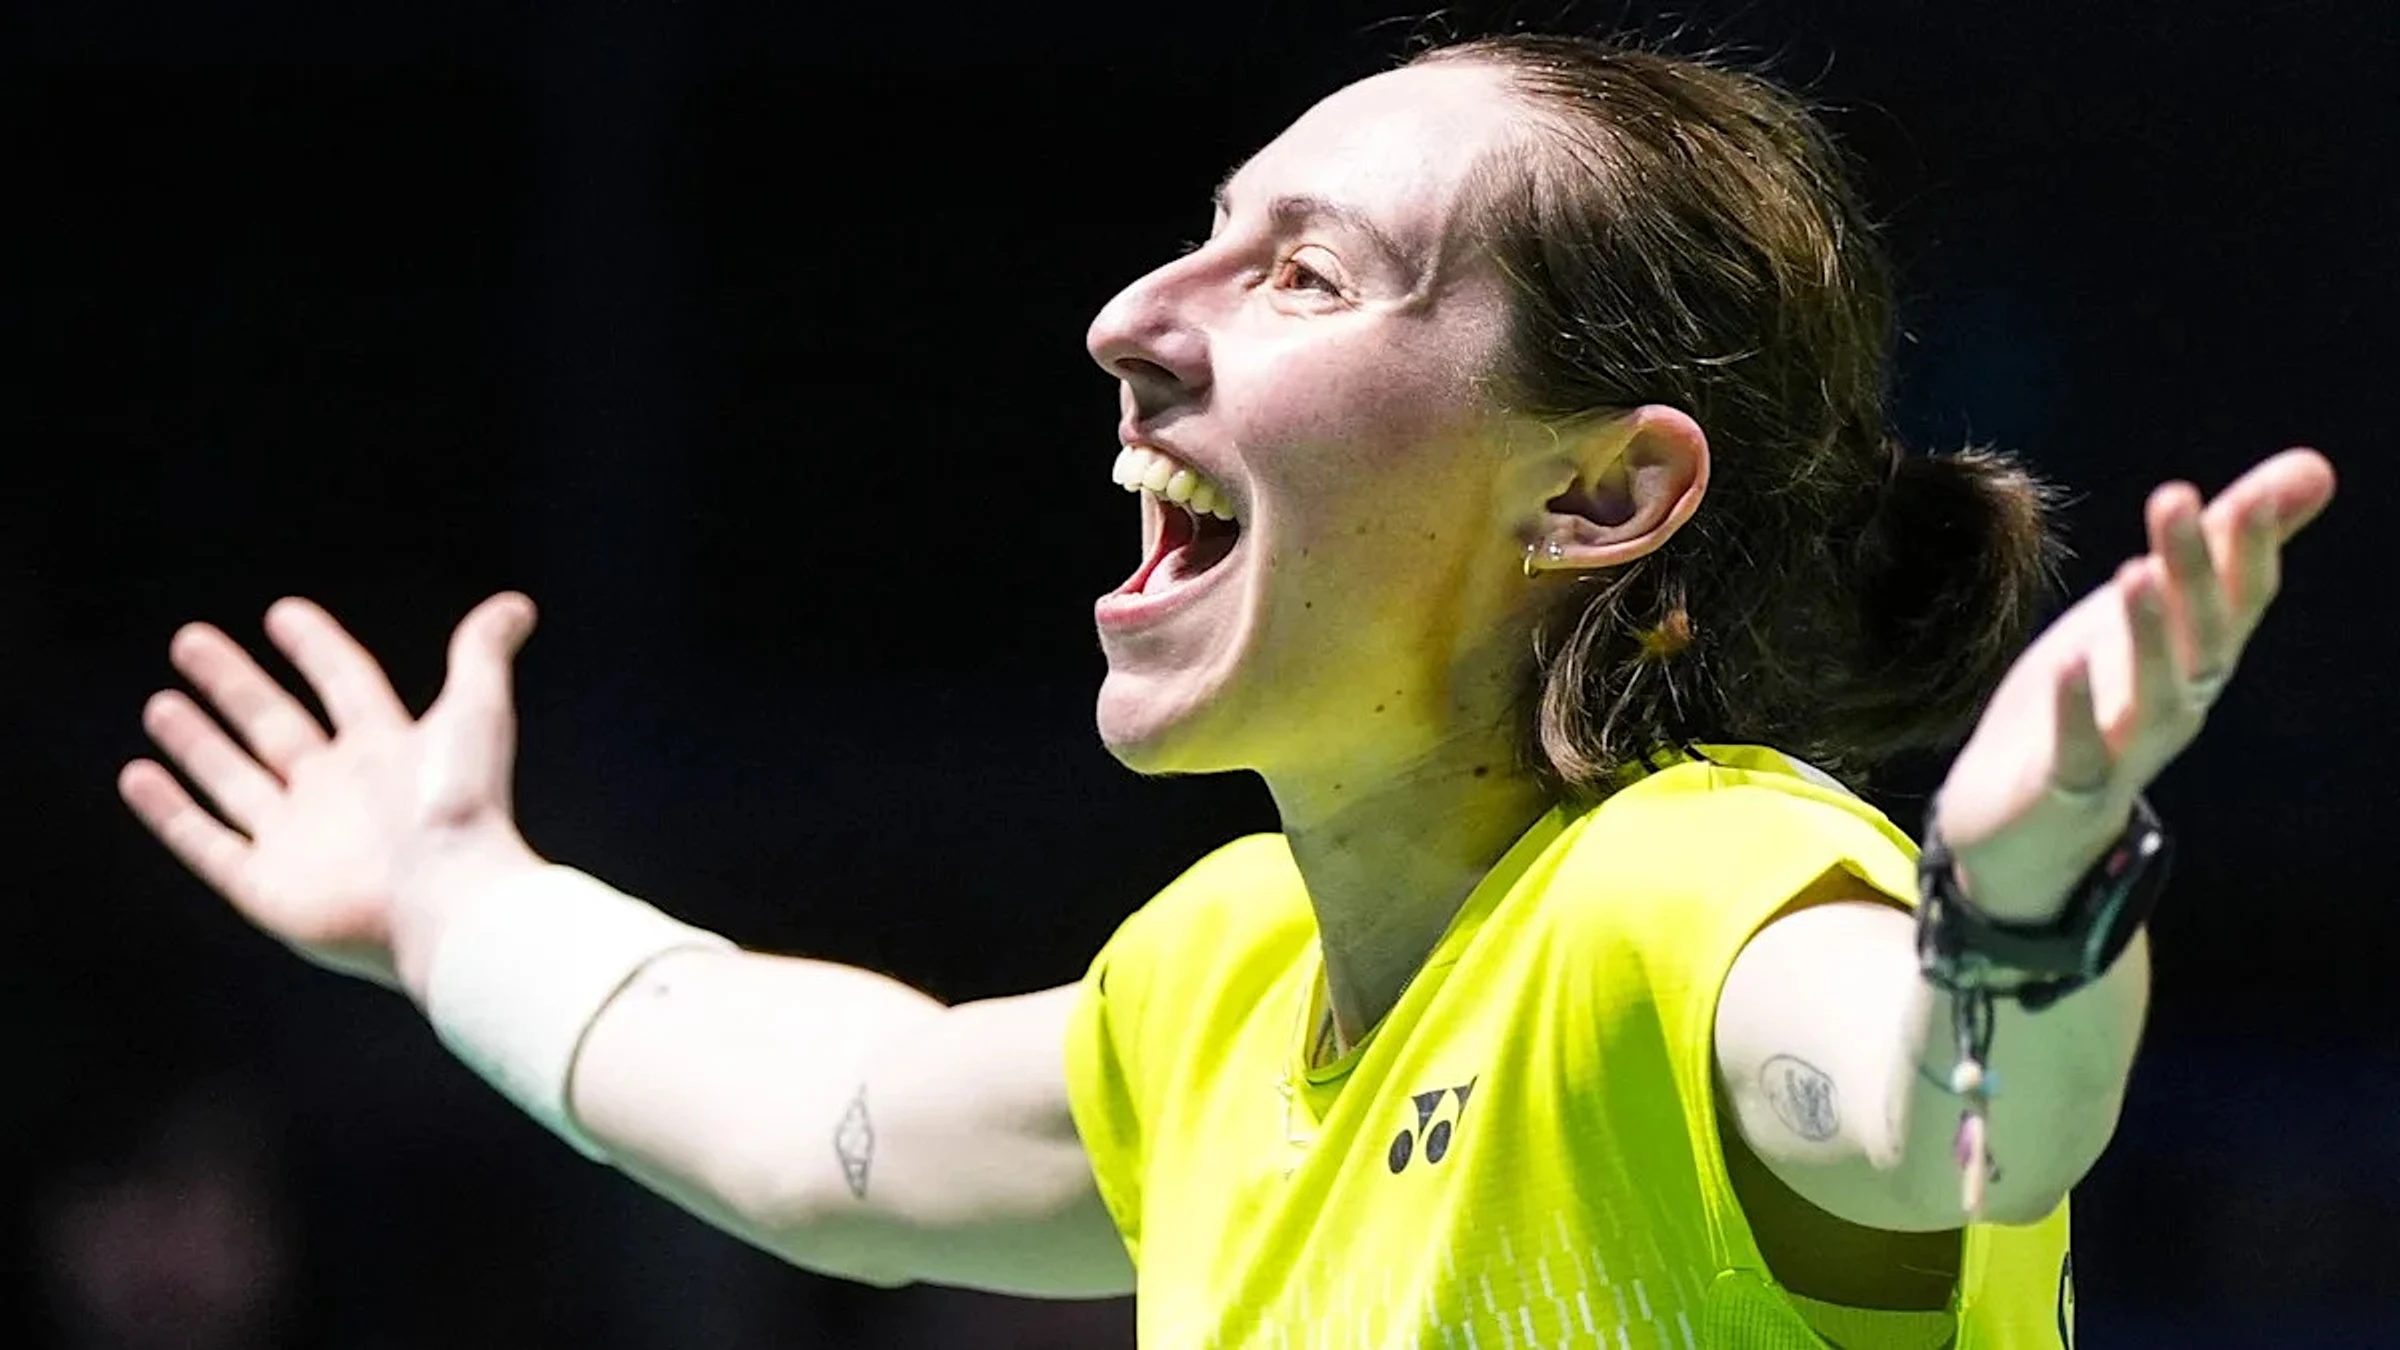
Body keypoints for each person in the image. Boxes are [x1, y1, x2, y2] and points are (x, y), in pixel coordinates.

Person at [119, 32, 2335, 1350]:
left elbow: (1957, 1112)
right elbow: (810, 1116)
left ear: (1599, 492)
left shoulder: (1690, 898)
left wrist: (2023, 906)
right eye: (1204, 234)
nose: (1127, 316)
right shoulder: (1221, 991)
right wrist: (450, 902)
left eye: (1306, 273)